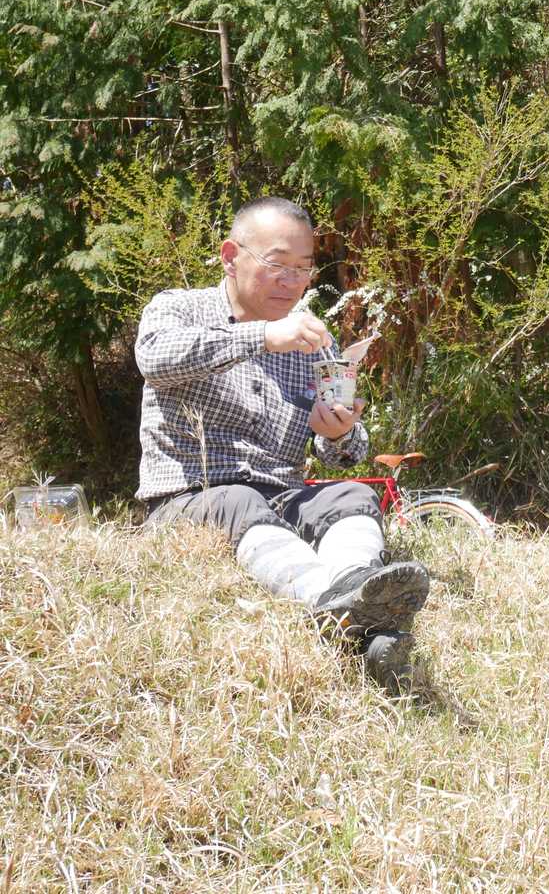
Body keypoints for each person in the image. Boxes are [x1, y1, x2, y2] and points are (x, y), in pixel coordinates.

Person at [135, 196, 429, 691]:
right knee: (239, 498)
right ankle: (328, 600)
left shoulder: (312, 343)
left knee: (353, 494)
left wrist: (338, 433)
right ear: (231, 257)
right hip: (188, 497)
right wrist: (263, 336)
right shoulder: (179, 308)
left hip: (283, 495)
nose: (292, 281)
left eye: (303, 268)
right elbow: (155, 359)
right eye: (278, 264)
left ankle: (359, 592)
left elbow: (346, 452)